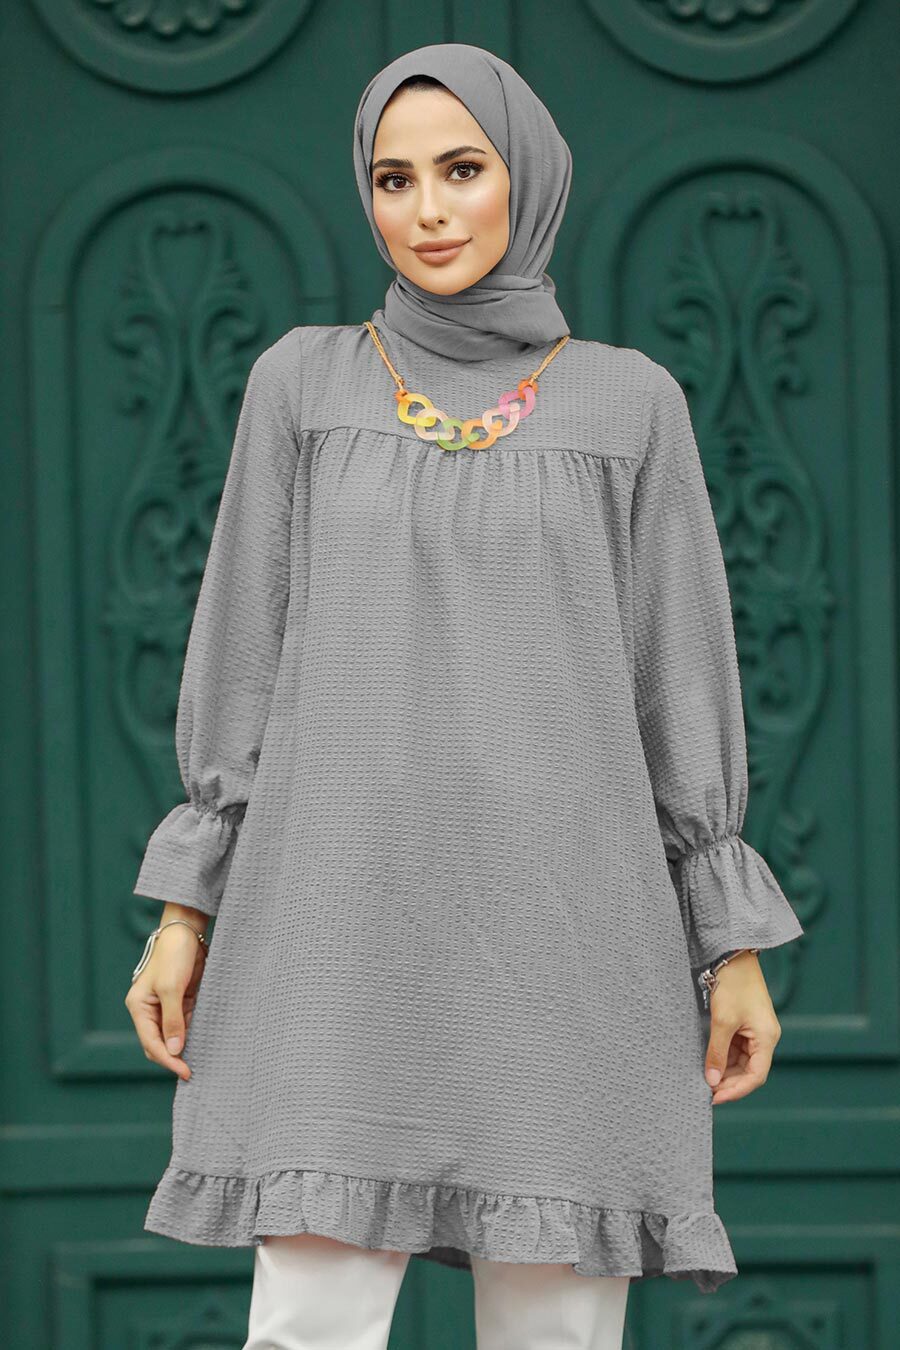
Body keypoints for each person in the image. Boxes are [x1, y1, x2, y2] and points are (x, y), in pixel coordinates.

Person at [124, 42, 804, 1350]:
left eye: (462, 170)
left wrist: (729, 945)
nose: (428, 210)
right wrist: (182, 912)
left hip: (567, 943)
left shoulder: (631, 405)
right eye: (395, 179)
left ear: (526, 179)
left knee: (555, 1335)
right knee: (308, 1329)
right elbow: (240, 651)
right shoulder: (302, 385)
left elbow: (679, 680)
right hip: (330, 935)